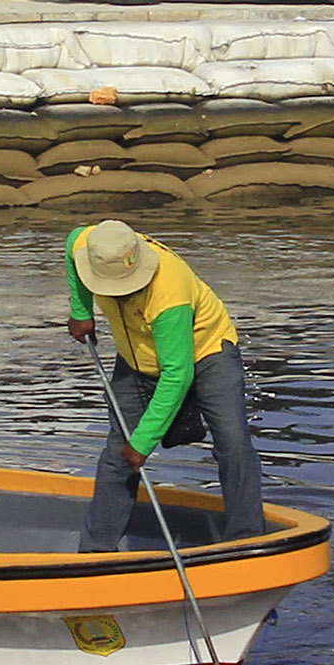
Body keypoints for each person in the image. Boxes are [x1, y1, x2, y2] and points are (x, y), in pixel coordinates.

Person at [65, 218, 266, 551]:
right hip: (135, 359)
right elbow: (72, 245)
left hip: (206, 354)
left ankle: (247, 542)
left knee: (232, 443)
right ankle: (95, 552)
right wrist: (80, 308)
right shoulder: (87, 243)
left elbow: (178, 375)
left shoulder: (168, 292)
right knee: (117, 453)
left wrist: (143, 443)